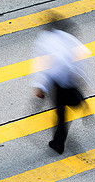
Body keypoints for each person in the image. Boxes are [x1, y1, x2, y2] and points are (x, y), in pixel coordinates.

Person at [32, 12, 91, 154]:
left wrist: (40, 87)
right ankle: (79, 102)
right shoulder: (68, 38)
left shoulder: (45, 40)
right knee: (65, 108)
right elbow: (82, 55)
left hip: (57, 81)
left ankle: (58, 143)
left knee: (61, 113)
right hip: (70, 78)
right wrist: (82, 77)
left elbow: (43, 66)